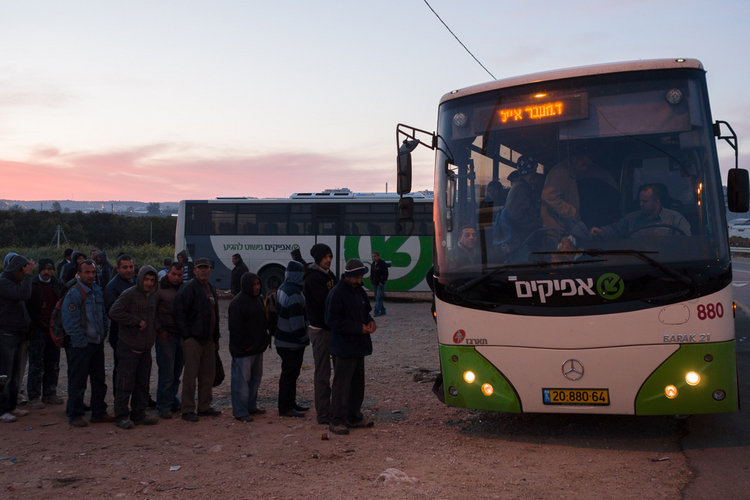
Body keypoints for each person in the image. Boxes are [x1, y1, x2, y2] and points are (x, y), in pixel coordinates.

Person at [326, 258, 376, 435]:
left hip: (358, 346)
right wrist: (357, 328)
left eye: (361, 276)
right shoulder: (337, 293)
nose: (360, 279)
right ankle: (337, 420)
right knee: (342, 385)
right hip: (343, 347)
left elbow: (366, 313)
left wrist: (370, 322)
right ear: (349, 276)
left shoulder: (359, 291)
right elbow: (332, 321)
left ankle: (354, 416)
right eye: (357, 276)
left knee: (357, 384)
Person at [62, 259, 114, 427]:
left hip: (96, 343)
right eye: (87, 272)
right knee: (78, 381)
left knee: (99, 380)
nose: (91, 275)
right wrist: (81, 342)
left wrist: (103, 333)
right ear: (79, 273)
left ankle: (98, 411)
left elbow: (103, 315)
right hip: (81, 346)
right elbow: (70, 323)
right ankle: (75, 414)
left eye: (93, 272)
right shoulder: (74, 294)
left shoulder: (97, 291)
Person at [108, 266, 160, 429]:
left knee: (142, 383)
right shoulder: (129, 294)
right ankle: (121, 416)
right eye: (146, 279)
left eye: (152, 280)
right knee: (125, 383)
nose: (149, 283)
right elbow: (114, 312)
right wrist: (135, 321)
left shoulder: (153, 296)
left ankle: (139, 413)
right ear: (140, 279)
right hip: (128, 346)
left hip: (145, 348)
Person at [174, 258, 221, 422]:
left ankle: (204, 406)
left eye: (206, 268)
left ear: (210, 271)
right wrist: (186, 336)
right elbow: (179, 313)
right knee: (190, 376)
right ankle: (187, 409)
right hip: (193, 339)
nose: (203, 271)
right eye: (200, 268)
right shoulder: (188, 289)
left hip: (208, 340)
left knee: (207, 375)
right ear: (194, 271)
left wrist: (216, 337)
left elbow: (215, 315)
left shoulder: (211, 288)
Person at [303, 243, 337, 425]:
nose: (328, 260)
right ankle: (323, 413)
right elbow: (326, 303)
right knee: (323, 374)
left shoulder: (329, 275)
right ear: (318, 259)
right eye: (325, 257)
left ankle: (336, 408)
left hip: (332, 329)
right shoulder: (313, 279)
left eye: (330, 256)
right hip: (320, 330)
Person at [228, 272, 269, 422]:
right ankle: (240, 411)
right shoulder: (237, 303)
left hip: (257, 348)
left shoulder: (257, 299)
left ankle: (251, 406)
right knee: (242, 381)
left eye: (258, 284)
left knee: (255, 380)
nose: (257, 287)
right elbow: (235, 328)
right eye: (254, 285)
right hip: (244, 350)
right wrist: (247, 345)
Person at [0, 254, 34, 423]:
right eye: (24, 271)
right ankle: (2, 409)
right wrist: (28, 276)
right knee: (4, 375)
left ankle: (11, 406)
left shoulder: (14, 282)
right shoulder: (4, 282)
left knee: (15, 374)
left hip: (18, 333)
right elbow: (25, 294)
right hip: (7, 334)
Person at [26, 258, 64, 409]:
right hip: (37, 329)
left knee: (53, 363)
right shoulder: (32, 284)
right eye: (44, 269)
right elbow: (28, 307)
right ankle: (34, 396)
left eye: (50, 269)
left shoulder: (57, 284)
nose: (47, 272)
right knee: (36, 364)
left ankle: (50, 393)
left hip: (53, 330)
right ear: (39, 270)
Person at [591, 184, 691, 239]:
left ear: (657, 201)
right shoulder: (630, 219)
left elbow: (686, 244)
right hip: (636, 265)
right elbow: (615, 230)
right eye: (640, 201)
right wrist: (601, 231)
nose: (641, 204)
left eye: (645, 201)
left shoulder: (676, 219)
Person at [275, 260, 309, 418]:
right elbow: (297, 323)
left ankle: (290, 403)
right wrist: (305, 338)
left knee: (289, 374)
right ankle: (286, 407)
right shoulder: (295, 293)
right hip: (291, 342)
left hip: (282, 339)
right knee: (290, 374)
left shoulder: (283, 287)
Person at [493, 156, 544, 259]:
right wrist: (536, 224)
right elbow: (515, 215)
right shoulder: (521, 188)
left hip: (520, 237)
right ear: (532, 170)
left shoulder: (520, 186)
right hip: (521, 239)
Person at [155, 262, 185, 418]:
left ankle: (172, 400)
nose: (176, 277)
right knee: (166, 372)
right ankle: (163, 406)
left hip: (180, 335)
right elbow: (153, 313)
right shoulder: (159, 290)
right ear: (168, 273)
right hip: (166, 336)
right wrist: (160, 331)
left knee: (176, 372)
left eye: (179, 275)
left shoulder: (184, 289)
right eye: (174, 274)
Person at [105, 254, 136, 400]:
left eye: (131, 266)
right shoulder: (113, 287)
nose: (129, 270)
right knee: (122, 371)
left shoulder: (134, 282)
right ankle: (120, 402)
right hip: (119, 335)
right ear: (118, 269)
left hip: (134, 335)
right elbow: (113, 313)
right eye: (125, 267)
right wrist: (135, 320)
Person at [370, 251, 389, 317]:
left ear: (378, 256)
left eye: (375, 256)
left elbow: (385, 273)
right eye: (372, 256)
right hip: (374, 283)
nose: (373, 257)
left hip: (380, 284)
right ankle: (383, 310)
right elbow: (371, 273)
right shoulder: (373, 264)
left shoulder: (382, 263)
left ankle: (376, 311)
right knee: (378, 298)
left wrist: (383, 281)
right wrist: (371, 280)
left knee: (379, 297)